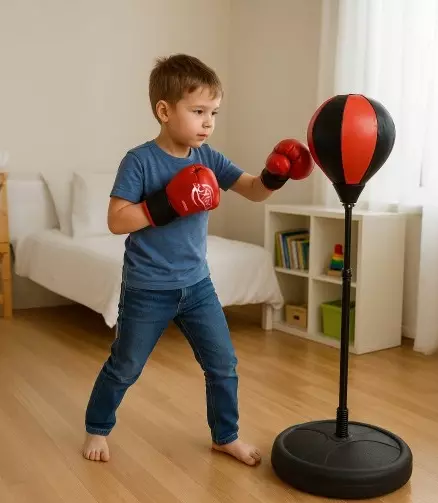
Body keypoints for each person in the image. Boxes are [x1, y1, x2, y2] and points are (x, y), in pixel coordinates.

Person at [82, 53, 313, 466]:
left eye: (214, 113)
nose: (208, 123)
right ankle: (97, 427)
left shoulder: (208, 158)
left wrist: (275, 175)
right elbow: (117, 220)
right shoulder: (140, 161)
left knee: (223, 364)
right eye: (198, 111)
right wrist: (167, 204)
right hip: (147, 288)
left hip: (197, 285)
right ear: (165, 111)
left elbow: (253, 190)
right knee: (126, 366)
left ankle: (225, 436)